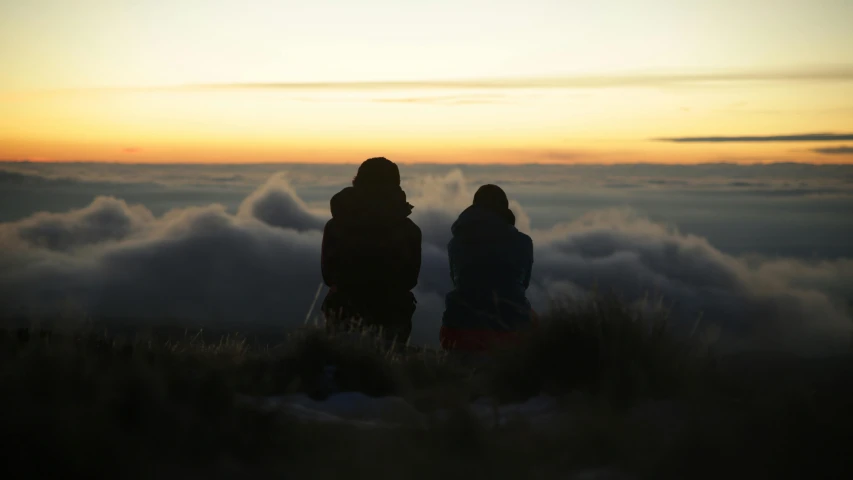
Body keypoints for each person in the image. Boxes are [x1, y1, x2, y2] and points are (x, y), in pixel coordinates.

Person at [320, 157, 422, 343]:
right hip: (392, 315)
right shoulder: (409, 230)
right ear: (396, 185)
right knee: (387, 368)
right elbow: (410, 279)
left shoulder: (335, 226)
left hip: (343, 312)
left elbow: (328, 276)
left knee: (342, 368)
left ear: (358, 180)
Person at [440, 184, 536, 352]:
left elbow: (458, 281)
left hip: (458, 328)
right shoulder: (523, 243)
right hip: (511, 329)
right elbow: (523, 283)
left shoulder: (455, 244)